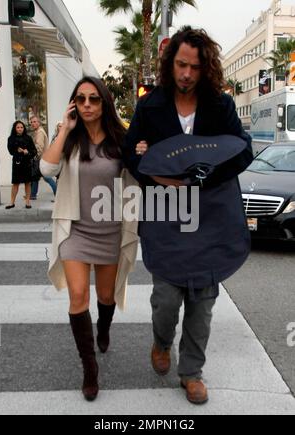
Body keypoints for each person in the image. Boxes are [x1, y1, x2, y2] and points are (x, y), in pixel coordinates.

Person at [123, 26, 253, 405]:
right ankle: (162, 342)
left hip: (211, 215)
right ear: (170, 63)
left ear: (204, 67)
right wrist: (148, 162)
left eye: (195, 67)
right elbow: (131, 152)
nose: (186, 74)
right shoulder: (150, 106)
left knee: (203, 302)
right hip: (164, 212)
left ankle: (191, 372)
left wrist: (207, 173)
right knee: (165, 297)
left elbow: (242, 151)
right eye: (181, 65)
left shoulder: (220, 105)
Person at [40, 76, 139, 402]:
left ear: (104, 103)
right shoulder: (70, 139)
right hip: (76, 232)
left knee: (106, 296)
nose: (86, 105)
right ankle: (89, 367)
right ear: (74, 104)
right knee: (78, 296)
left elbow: (140, 173)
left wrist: (141, 151)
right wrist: (65, 129)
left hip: (110, 232)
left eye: (93, 99)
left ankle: (104, 328)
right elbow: (46, 169)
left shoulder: (120, 139)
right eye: (80, 99)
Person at [5, 121, 37, 210]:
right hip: (17, 163)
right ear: (15, 128)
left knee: (27, 182)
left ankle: (27, 201)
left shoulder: (28, 138)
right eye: (18, 127)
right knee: (15, 183)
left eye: (21, 127)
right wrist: (17, 150)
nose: (20, 129)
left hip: (26, 163)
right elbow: (10, 151)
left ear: (24, 128)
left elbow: (34, 151)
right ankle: (12, 202)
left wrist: (28, 152)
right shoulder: (11, 138)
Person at [30, 116, 57, 200]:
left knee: (46, 177)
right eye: (31, 122)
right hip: (41, 158)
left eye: (35, 122)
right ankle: (33, 195)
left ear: (39, 123)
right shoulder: (38, 131)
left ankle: (58, 194)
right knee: (35, 177)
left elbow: (39, 147)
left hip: (41, 159)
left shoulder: (40, 132)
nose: (33, 124)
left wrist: (35, 156)